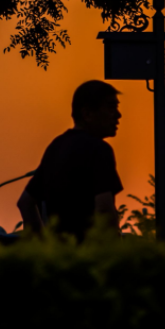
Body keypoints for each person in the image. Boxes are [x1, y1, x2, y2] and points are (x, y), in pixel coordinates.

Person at [17, 80, 124, 242]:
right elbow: (104, 210)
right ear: (87, 114)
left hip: (62, 259)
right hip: (89, 259)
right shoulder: (99, 149)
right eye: (111, 107)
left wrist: (43, 245)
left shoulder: (56, 146)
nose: (118, 115)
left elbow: (25, 202)